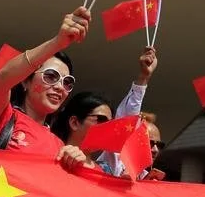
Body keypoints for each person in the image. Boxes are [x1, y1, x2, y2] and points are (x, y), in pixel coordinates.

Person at [0, 6, 93, 170]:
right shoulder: (3, 116)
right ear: (25, 82)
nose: (60, 87)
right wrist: (57, 42)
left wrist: (74, 161)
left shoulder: (59, 145)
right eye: (51, 76)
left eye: (67, 82)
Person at [51, 47, 159, 175]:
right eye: (100, 119)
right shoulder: (48, 155)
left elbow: (126, 121)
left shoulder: (104, 173)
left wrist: (143, 78)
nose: (107, 127)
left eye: (110, 123)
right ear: (74, 122)